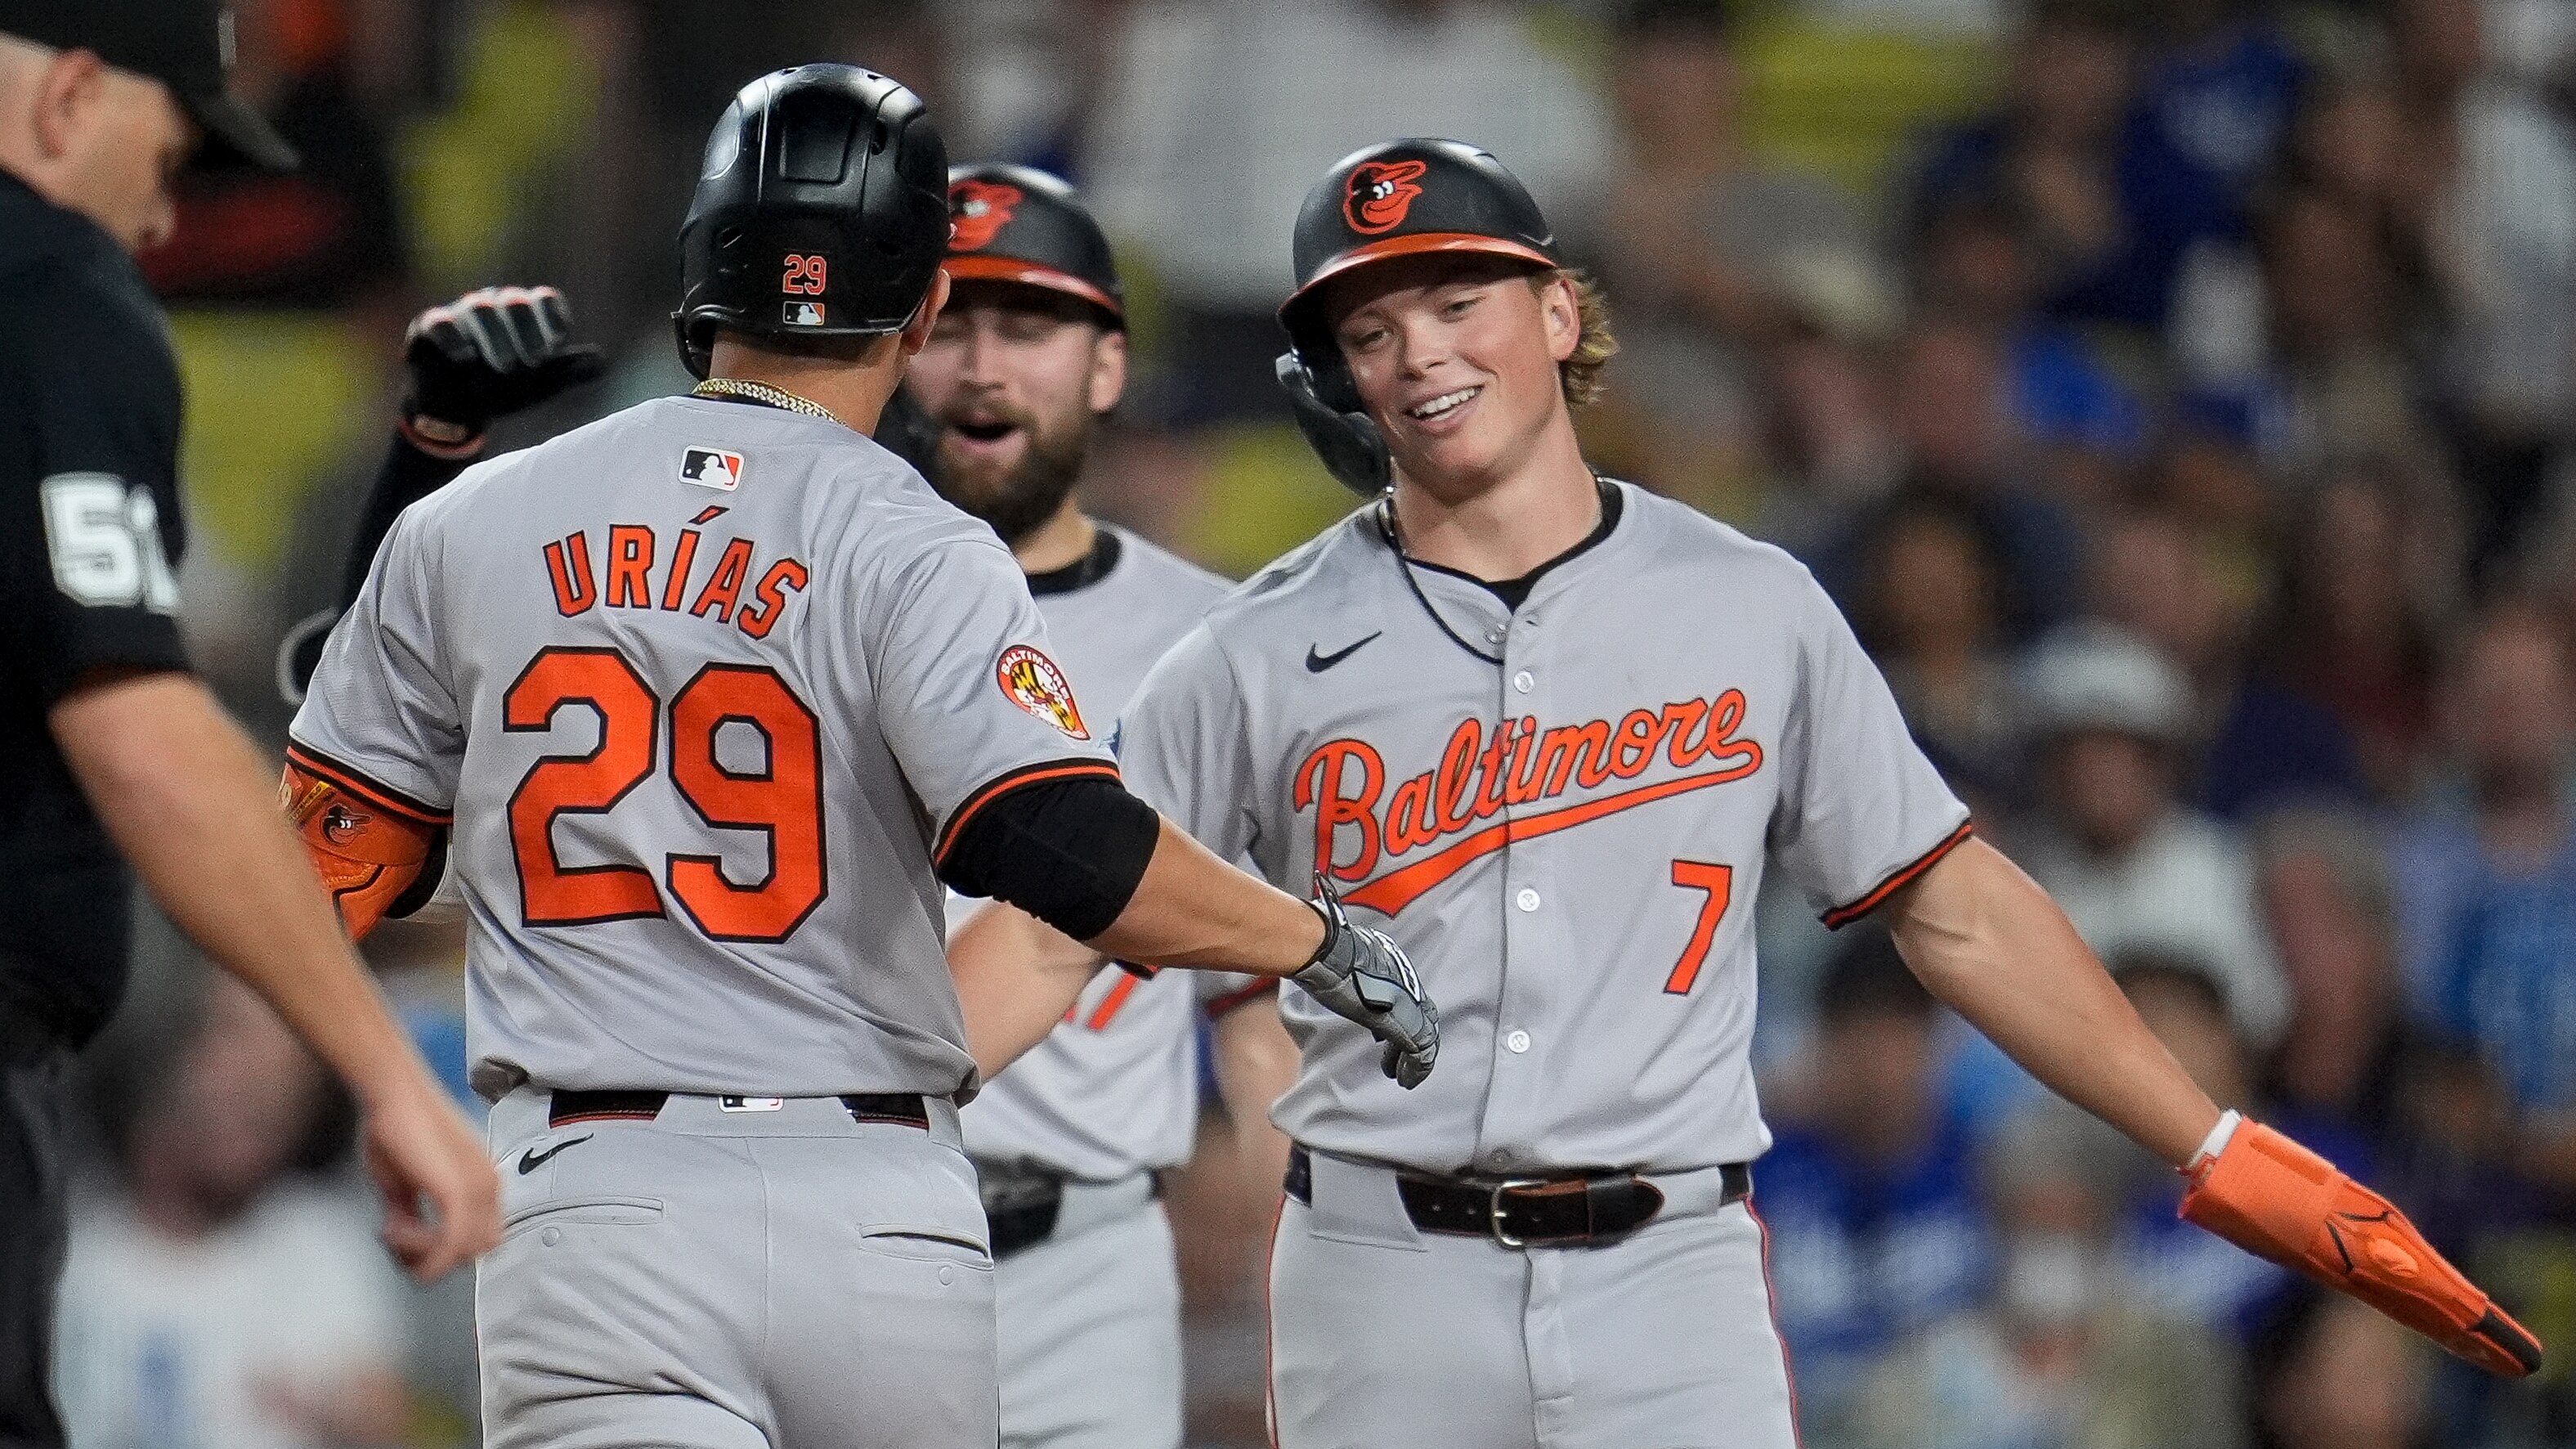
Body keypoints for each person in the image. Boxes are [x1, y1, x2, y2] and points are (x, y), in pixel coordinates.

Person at [956, 137, 2539, 1449]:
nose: (1419, 350)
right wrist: (807, 1114)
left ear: (1561, 315)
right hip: (1381, 1272)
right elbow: (1046, 930)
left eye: (1456, 298)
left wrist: (2212, 1142)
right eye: (1371, 329)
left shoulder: (1748, 602)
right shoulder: (1257, 648)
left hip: (1675, 1275)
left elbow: (1953, 905)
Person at [281, 66, 1434, 1449]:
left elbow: (339, 861)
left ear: (699, 271)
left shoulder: (474, 519)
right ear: (926, 303)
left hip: (594, 1193)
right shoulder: (916, 541)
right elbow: (1057, 843)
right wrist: (1313, 938)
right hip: (871, 1193)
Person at [0, 5, 498, 1446]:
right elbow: (141, 729)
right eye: (172, 146)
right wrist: (385, 1073)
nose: (171, 204)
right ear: (71, 95)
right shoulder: (47, 293)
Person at [913, 162, 1288, 1449]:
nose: (982, 365)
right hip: (851, 1226)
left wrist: (1306, 1259)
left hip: (1095, 1261)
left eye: (1025, 327)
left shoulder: (1216, 640)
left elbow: (1257, 997)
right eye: (947, 323)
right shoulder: (790, 603)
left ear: (1106, 368)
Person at [51, 978, 413, 1449]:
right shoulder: (70, 1251)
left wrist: (329, 1406)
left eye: (279, 1108)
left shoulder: (318, 1242)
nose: (261, 1078)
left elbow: (385, 1419)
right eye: (233, 1037)